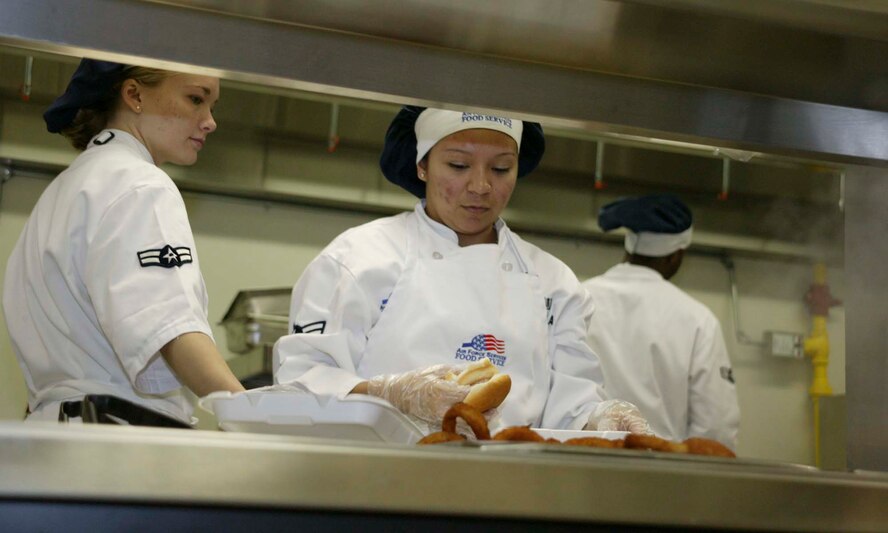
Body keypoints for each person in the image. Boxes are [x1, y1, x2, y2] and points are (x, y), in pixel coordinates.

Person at [273, 106, 650, 434]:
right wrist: (389, 393)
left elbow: (570, 410)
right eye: (458, 165)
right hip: (376, 485)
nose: (481, 186)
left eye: (502, 168)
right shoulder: (357, 260)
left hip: (509, 492)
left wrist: (601, 418)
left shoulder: (555, 284)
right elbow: (300, 381)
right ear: (422, 166)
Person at [3, 59, 245, 425]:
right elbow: (172, 331)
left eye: (212, 106)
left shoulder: (62, 190)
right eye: (196, 99)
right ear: (134, 95)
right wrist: (253, 415)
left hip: (57, 432)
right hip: (117, 440)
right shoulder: (140, 184)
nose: (210, 121)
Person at [581, 194, 740, 449]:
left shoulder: (578, 299)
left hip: (582, 464)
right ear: (675, 256)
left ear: (629, 247)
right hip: (662, 477)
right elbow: (715, 426)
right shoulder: (698, 320)